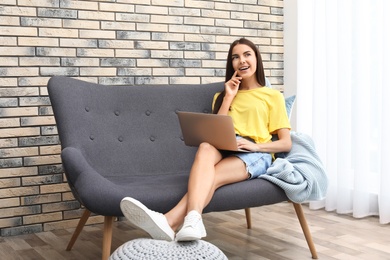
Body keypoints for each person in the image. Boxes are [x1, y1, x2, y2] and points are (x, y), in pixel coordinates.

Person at [120, 38, 292, 242]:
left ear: (257, 59)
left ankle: (170, 220)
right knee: (205, 146)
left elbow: (285, 143)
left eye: (247, 55)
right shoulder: (222, 95)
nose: (241, 61)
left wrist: (256, 145)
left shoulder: (272, 96)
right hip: (226, 146)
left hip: (253, 153)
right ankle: (190, 221)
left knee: (213, 176)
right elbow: (216, 132)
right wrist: (228, 96)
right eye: (235, 57)